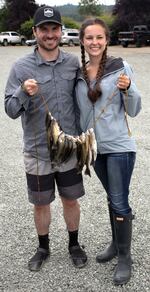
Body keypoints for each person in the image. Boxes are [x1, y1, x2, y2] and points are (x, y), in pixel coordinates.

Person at [4, 6, 87, 272]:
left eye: (54, 29)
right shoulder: (21, 67)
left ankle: (74, 244)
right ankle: (43, 247)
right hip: (38, 152)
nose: (50, 34)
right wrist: (23, 92)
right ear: (35, 32)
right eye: (44, 29)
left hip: (69, 149)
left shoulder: (73, 63)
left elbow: (88, 95)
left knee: (71, 199)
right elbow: (10, 110)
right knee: (41, 203)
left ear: (60, 31)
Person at [75, 18, 141, 285]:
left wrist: (130, 88)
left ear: (106, 39)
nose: (94, 43)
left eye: (99, 37)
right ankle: (115, 244)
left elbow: (134, 109)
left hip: (119, 148)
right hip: (93, 148)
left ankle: (125, 257)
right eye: (89, 38)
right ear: (82, 41)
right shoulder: (78, 73)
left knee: (119, 200)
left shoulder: (119, 68)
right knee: (112, 198)